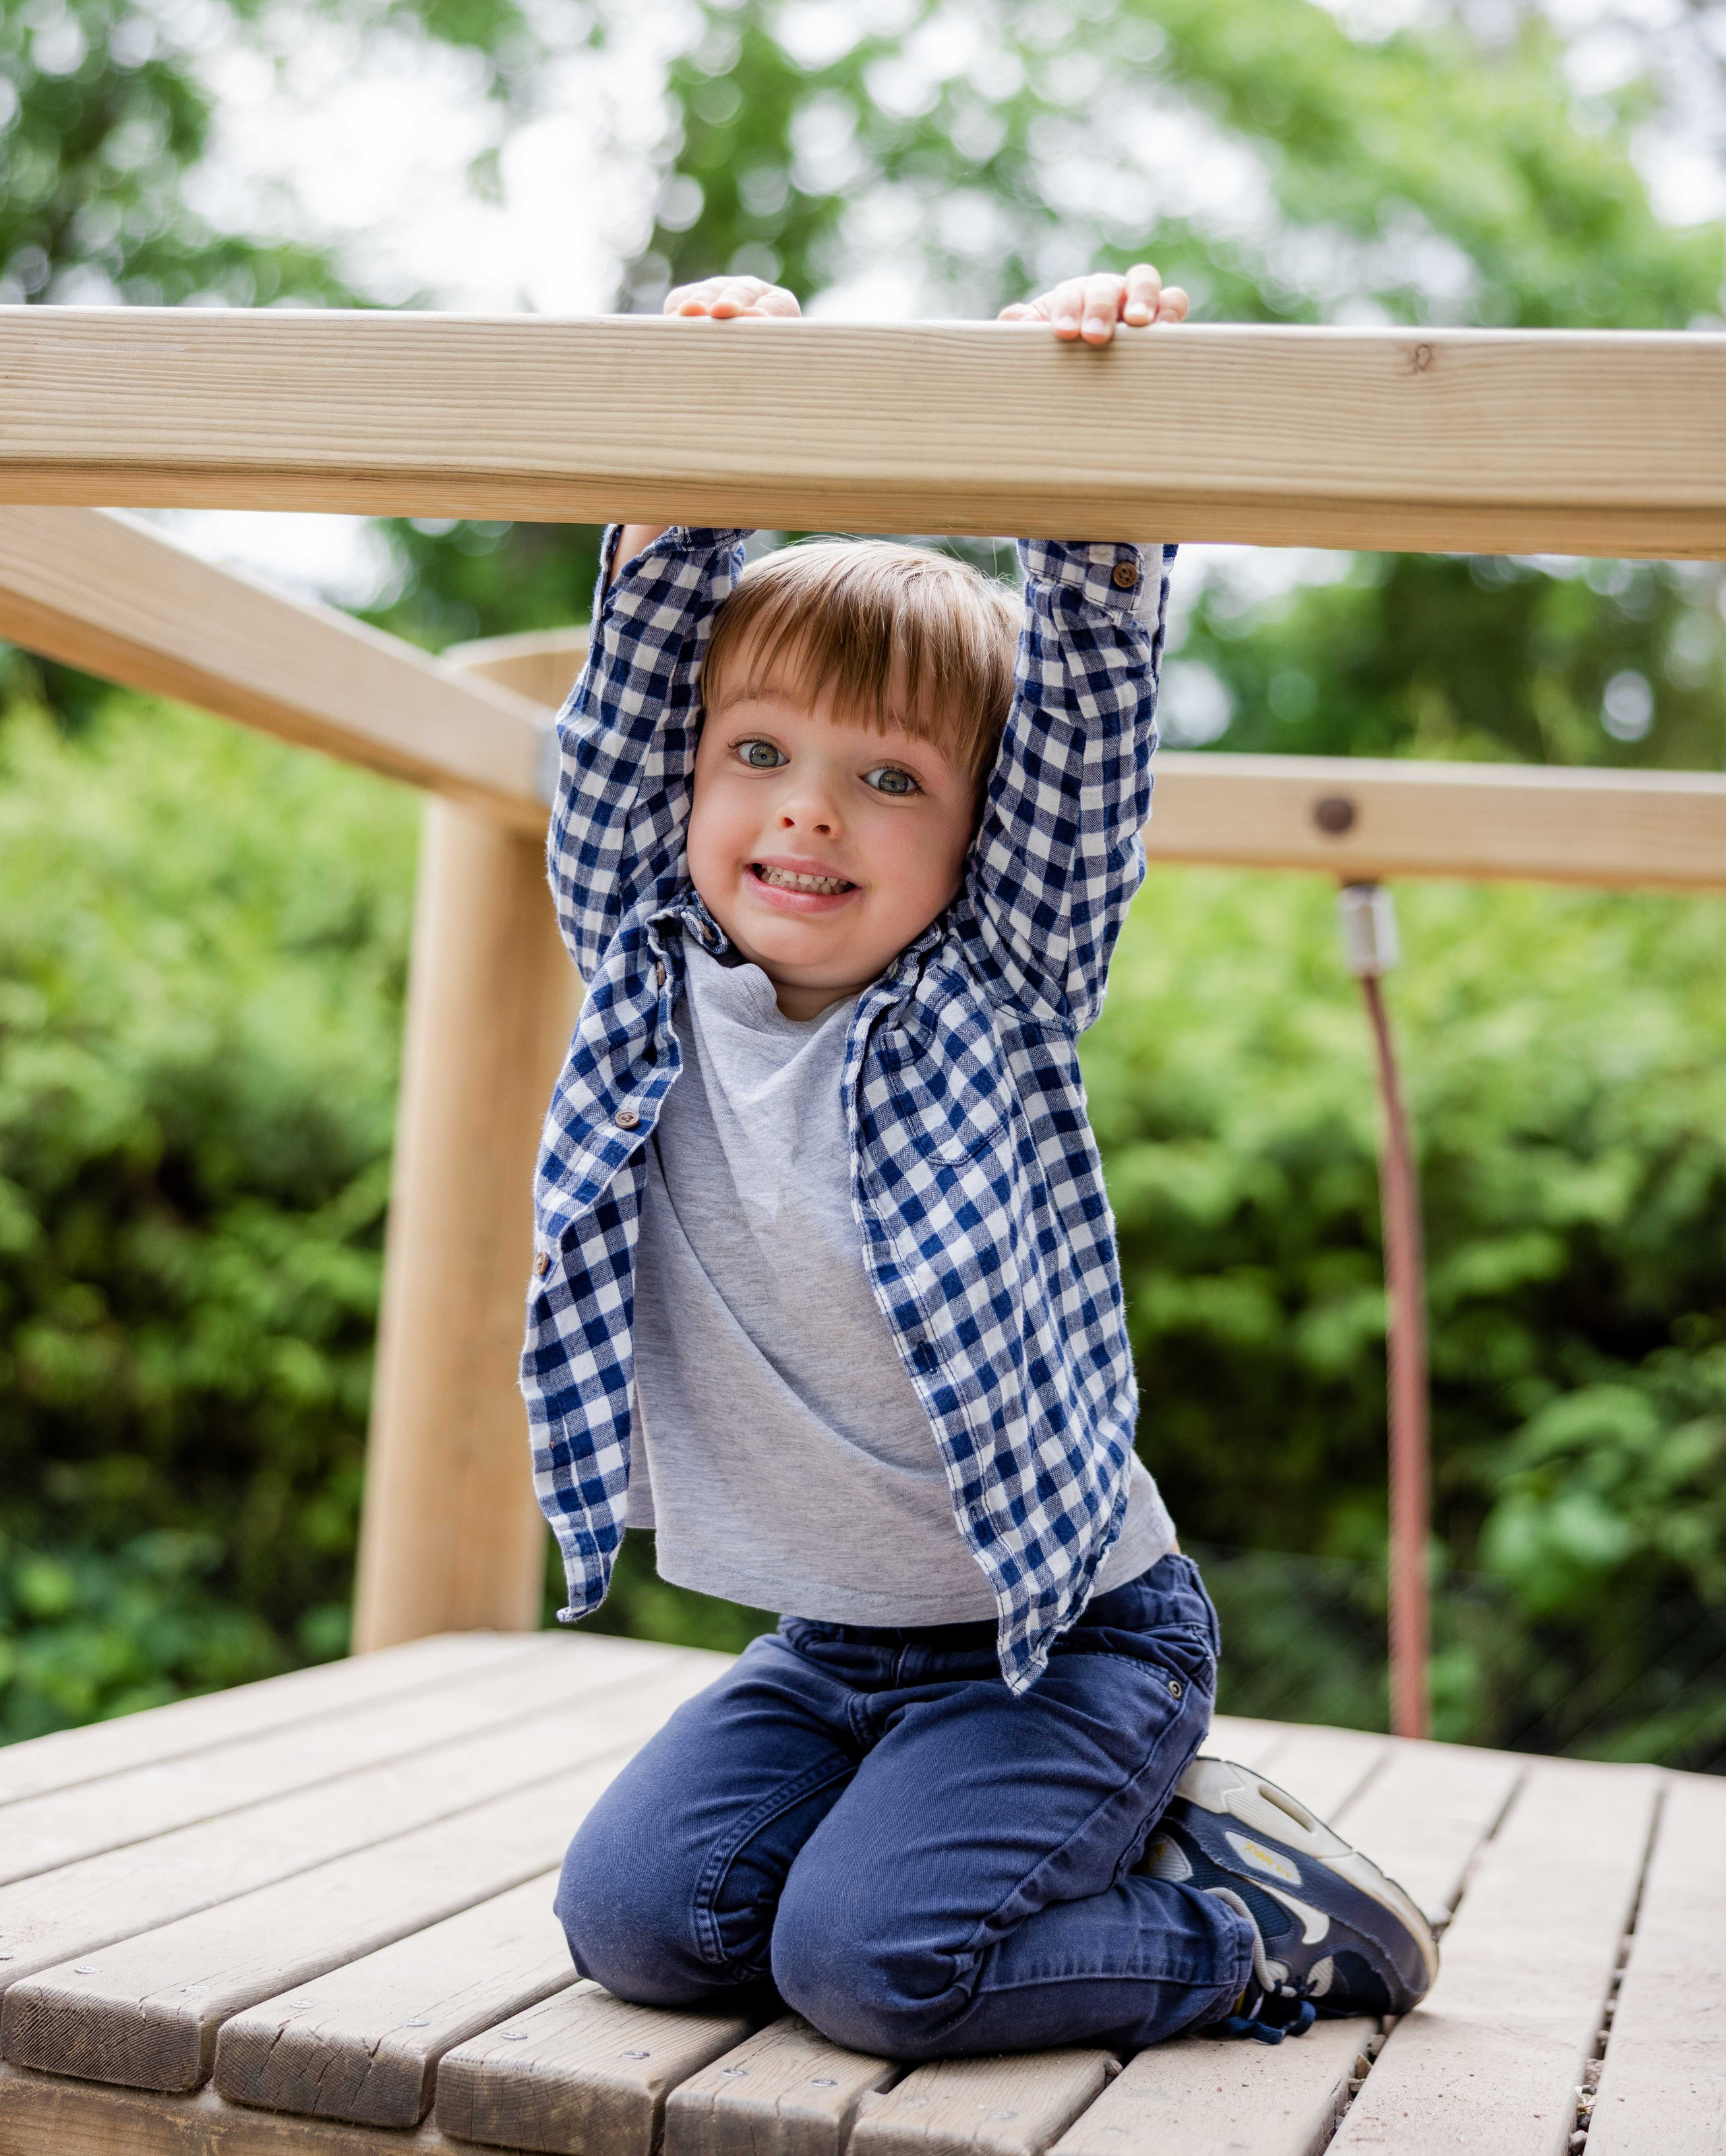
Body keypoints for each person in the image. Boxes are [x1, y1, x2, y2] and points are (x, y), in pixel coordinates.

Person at [522, 264, 1437, 2060]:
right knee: (641, 1924)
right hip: (829, 1644)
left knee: (868, 1973)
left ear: (976, 834)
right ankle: (969, 1825)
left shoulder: (996, 987)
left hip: (1068, 1637)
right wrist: (705, 429)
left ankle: (1247, 1921)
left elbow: (1087, 727)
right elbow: (623, 708)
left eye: (889, 781)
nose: (804, 809)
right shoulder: (642, 956)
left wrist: (1074, 427)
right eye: (762, 755)